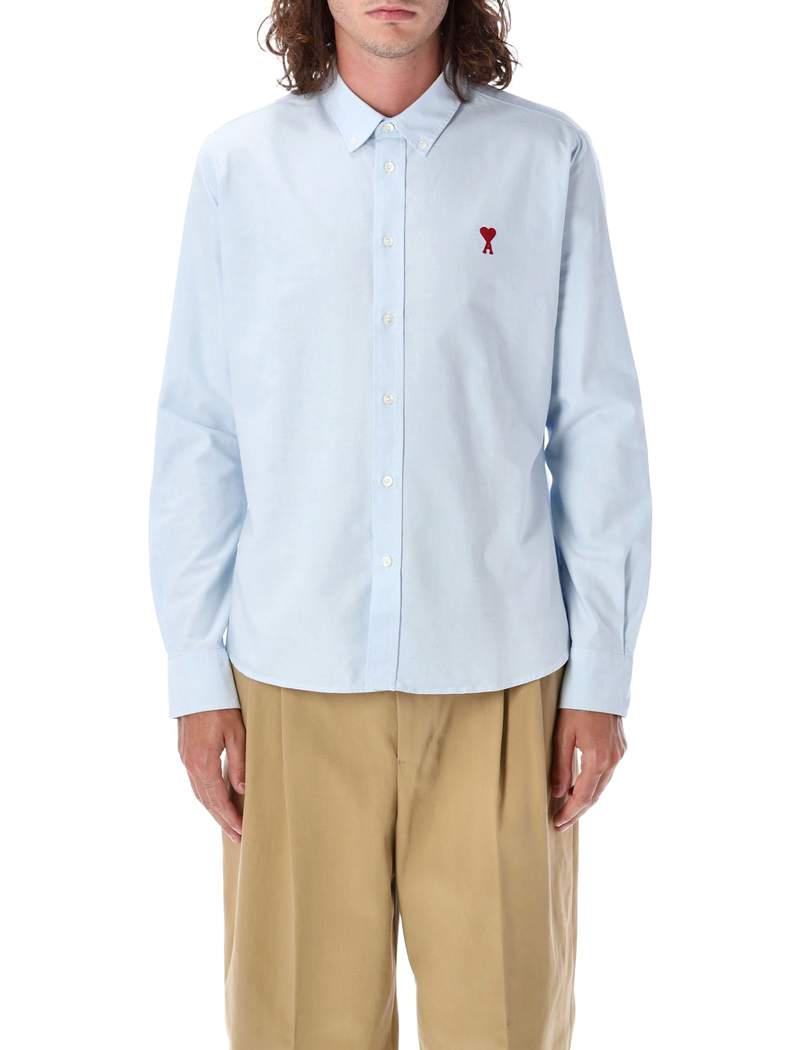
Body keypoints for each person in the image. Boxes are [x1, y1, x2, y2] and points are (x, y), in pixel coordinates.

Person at [148, 2, 652, 1047]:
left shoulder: (546, 160)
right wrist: (196, 675)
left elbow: (596, 426)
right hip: (290, 686)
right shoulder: (239, 169)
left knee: (505, 1027)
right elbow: (201, 432)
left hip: (500, 687)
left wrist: (599, 676)